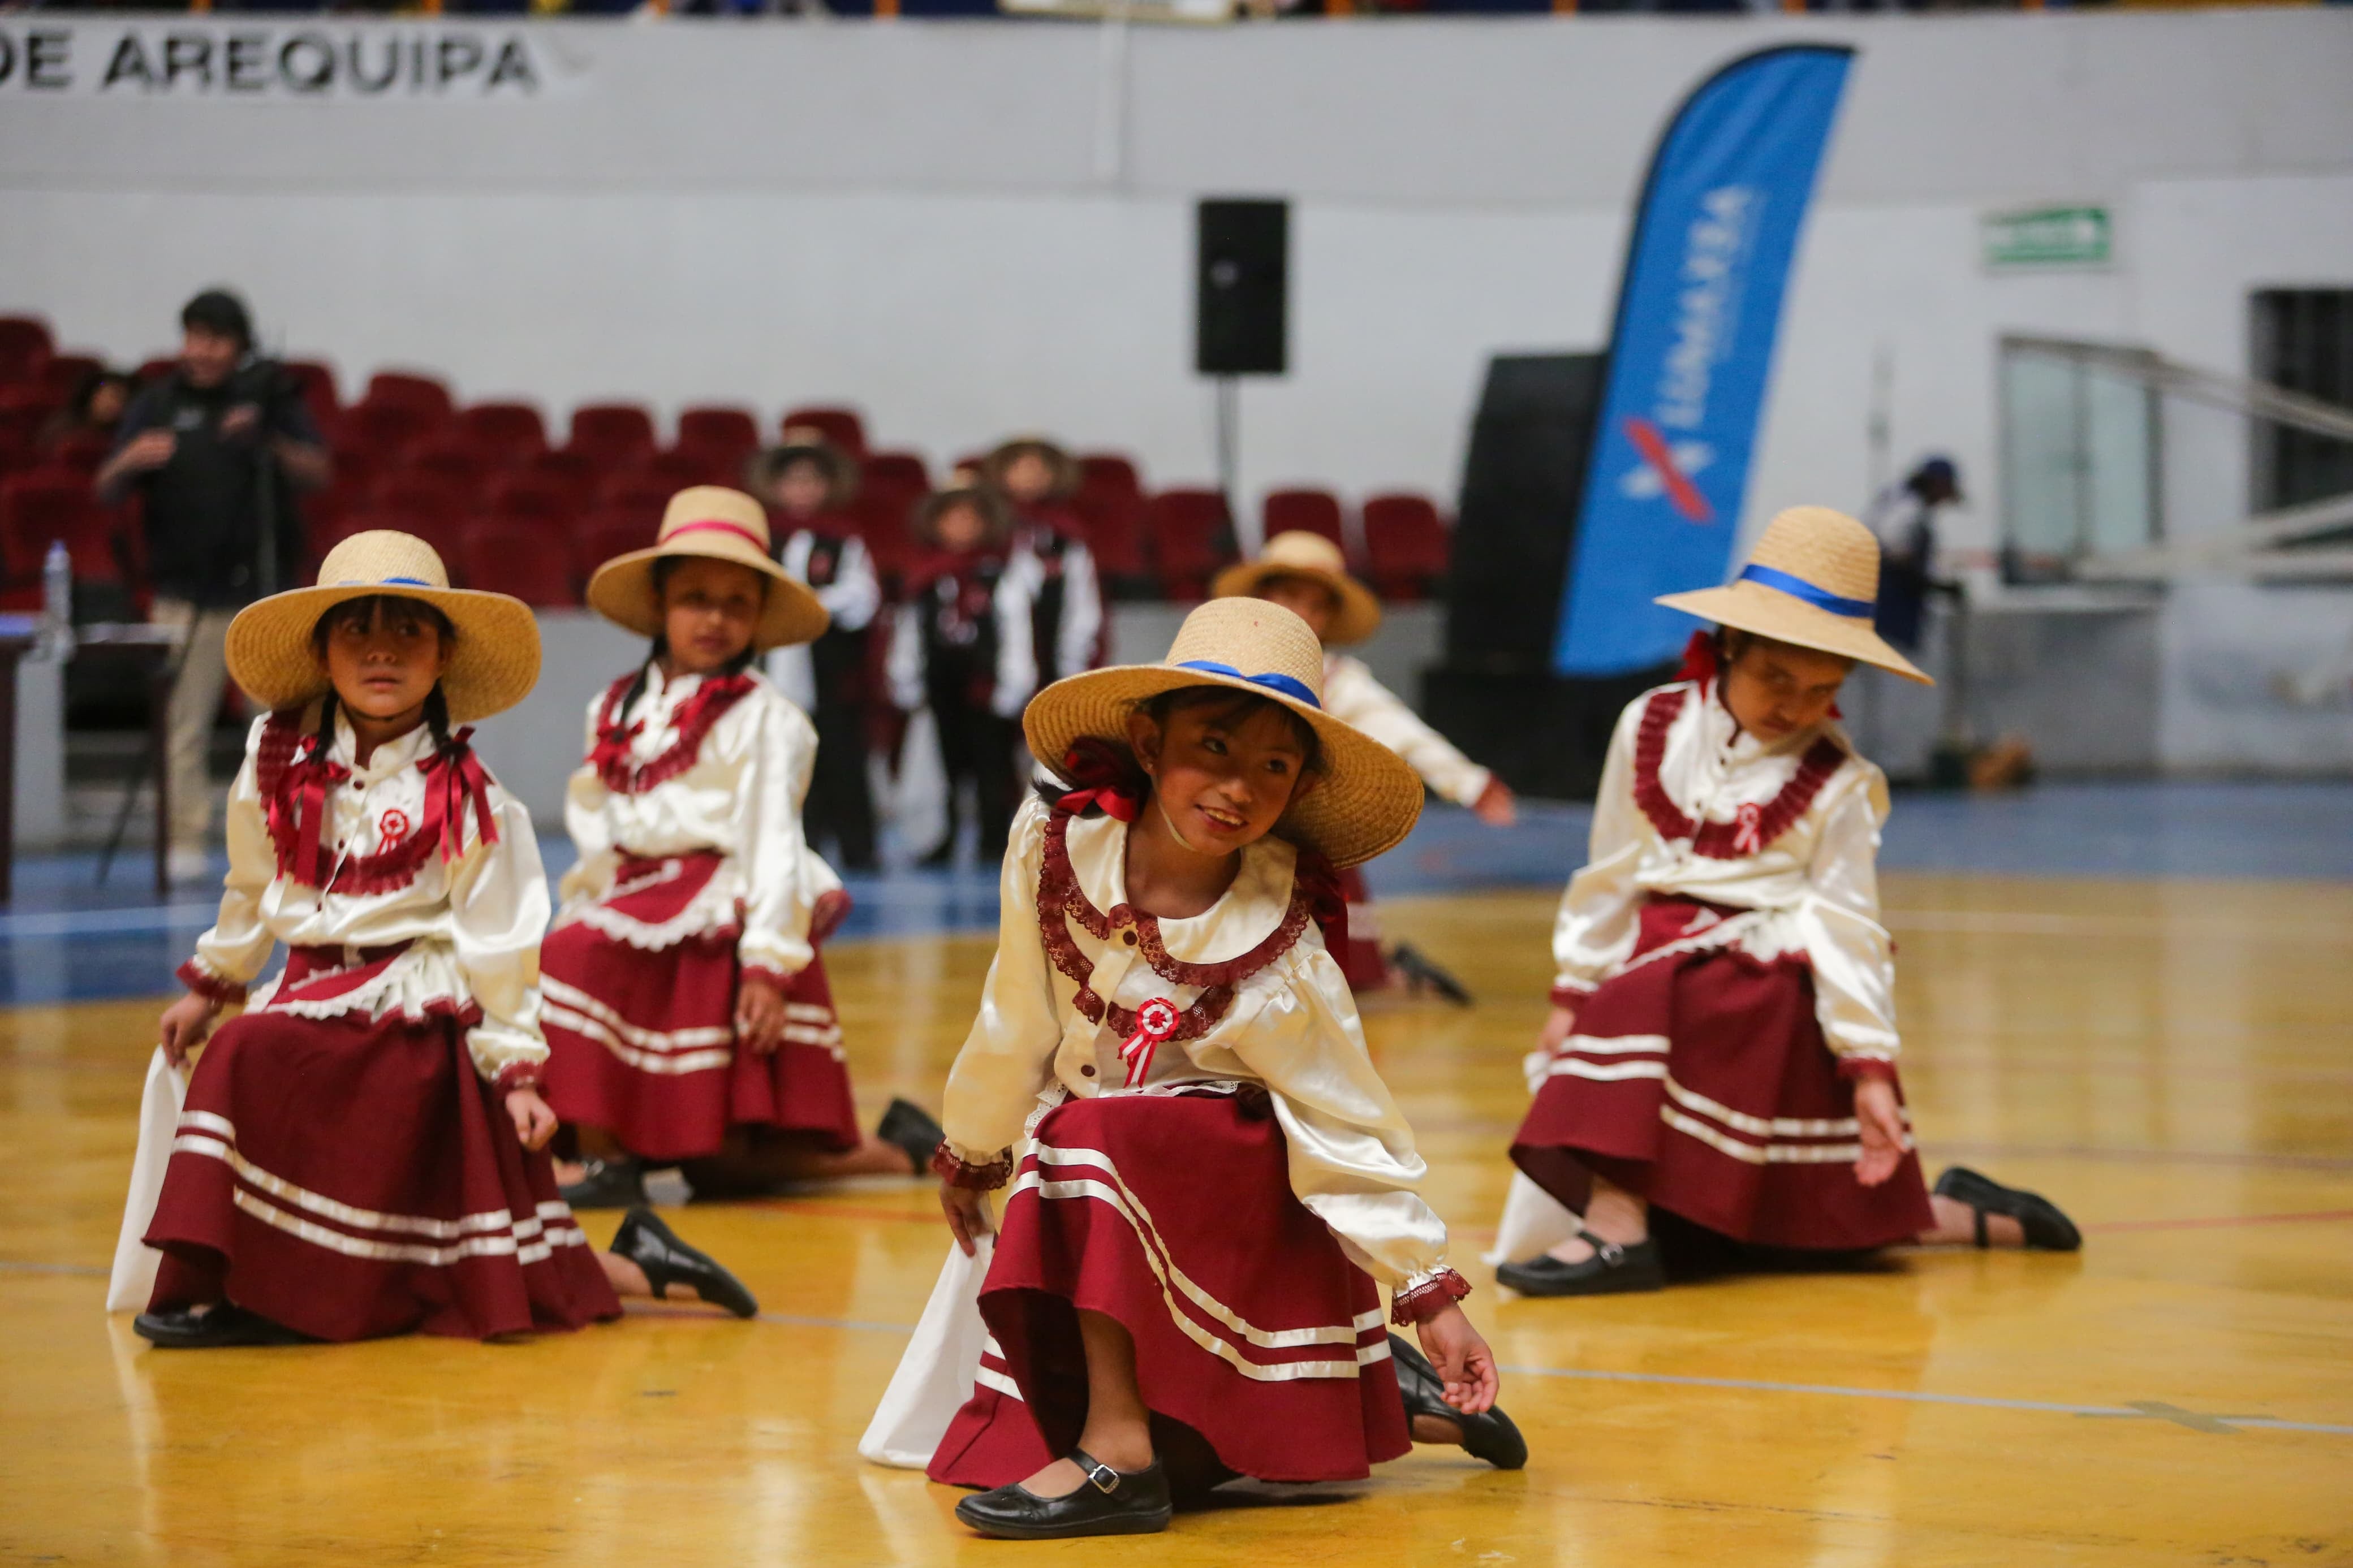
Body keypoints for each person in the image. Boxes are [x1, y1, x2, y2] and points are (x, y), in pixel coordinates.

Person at [912, 598, 1523, 1541]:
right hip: (1106, 1179)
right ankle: (1383, 1393)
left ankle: (1119, 1457)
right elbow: (1015, 1012)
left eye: (1275, 766)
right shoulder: (1052, 847)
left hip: (1232, 1182)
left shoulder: (1281, 934)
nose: (1240, 786)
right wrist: (977, 1148)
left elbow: (1340, 1117)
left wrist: (1427, 1290)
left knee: (1087, 1132)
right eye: (1216, 748)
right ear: (1149, 743)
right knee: (1068, 1138)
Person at [132, 531, 757, 1349]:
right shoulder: (274, 754)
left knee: (250, 1055)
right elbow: (251, 884)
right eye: (357, 629)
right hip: (308, 989)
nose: (382, 650)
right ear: (322, 652)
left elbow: (503, 944)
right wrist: (212, 982)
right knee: (434, 1242)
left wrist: (521, 1075)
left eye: (408, 632)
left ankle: (263, 1294)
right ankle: (639, 1262)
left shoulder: (471, 795)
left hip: (414, 1010)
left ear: (443, 657)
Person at [1494, 507, 2080, 1299]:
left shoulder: (1838, 782)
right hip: (1656, 960)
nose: (1795, 708)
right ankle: (1967, 1212)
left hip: (1760, 986)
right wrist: (1573, 989)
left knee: (1653, 1003)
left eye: (1822, 691)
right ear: (1727, 645)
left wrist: (1869, 1066)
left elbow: (1847, 923)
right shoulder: (1651, 725)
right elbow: (1612, 867)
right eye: (1777, 679)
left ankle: (1620, 1231)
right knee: (1773, 1232)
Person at [541, 487, 943, 1208]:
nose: (715, 618)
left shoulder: (769, 716)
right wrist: (592, 897)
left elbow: (773, 841)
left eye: (736, 603)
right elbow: (595, 817)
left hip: (721, 905)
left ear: (758, 618)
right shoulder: (611, 707)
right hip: (635, 896)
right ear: (660, 602)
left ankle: (900, 1151)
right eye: (696, 597)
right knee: (570, 946)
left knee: (723, 1168)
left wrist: (766, 965)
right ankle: (607, 1156)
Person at [1214, 530, 1515, 1001]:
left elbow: (1403, 730)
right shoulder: (1214, 663)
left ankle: (1393, 970)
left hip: (1299, 834)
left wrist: (1469, 782)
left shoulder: (1338, 680)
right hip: (1221, 827)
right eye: (1290, 597)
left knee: (1342, 977)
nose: (1303, 614)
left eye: (1317, 606)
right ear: (1261, 598)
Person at [95, 290, 331, 885]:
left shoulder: (267, 400)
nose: (200, 351)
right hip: (183, 590)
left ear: (240, 346)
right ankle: (184, 841)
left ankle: (286, 839)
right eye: (192, 337)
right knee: (184, 725)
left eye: (215, 339)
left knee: (279, 727)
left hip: (262, 593)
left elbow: (318, 472)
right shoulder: (156, 404)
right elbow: (105, 488)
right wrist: (130, 460)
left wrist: (267, 442)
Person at [748, 432, 882, 871]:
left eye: (812, 481)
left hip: (831, 669)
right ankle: (795, 848)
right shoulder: (764, 538)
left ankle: (857, 849)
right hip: (773, 667)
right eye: (793, 481)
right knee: (782, 759)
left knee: (842, 759)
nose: (802, 490)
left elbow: (862, 597)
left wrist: (807, 604)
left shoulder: (843, 541)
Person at [887, 486, 1037, 868]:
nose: (961, 527)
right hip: (941, 680)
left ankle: (994, 841)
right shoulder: (925, 576)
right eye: (952, 518)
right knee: (946, 766)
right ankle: (946, 836)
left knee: (993, 765)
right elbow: (909, 629)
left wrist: (1013, 683)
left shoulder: (1002, 575)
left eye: (971, 519)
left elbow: (1016, 627)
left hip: (985, 682)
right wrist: (905, 677)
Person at [981, 437, 1103, 689]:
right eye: (1020, 468)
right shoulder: (991, 529)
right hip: (994, 649)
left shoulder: (1062, 534)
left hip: (1053, 633)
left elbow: (1078, 589)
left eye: (1039, 470)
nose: (1030, 477)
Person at [1863, 455, 1962, 654]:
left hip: (1882, 616)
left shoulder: (1897, 501)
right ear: (1937, 484)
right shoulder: (1908, 511)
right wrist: (1937, 586)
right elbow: (1898, 557)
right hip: (1890, 616)